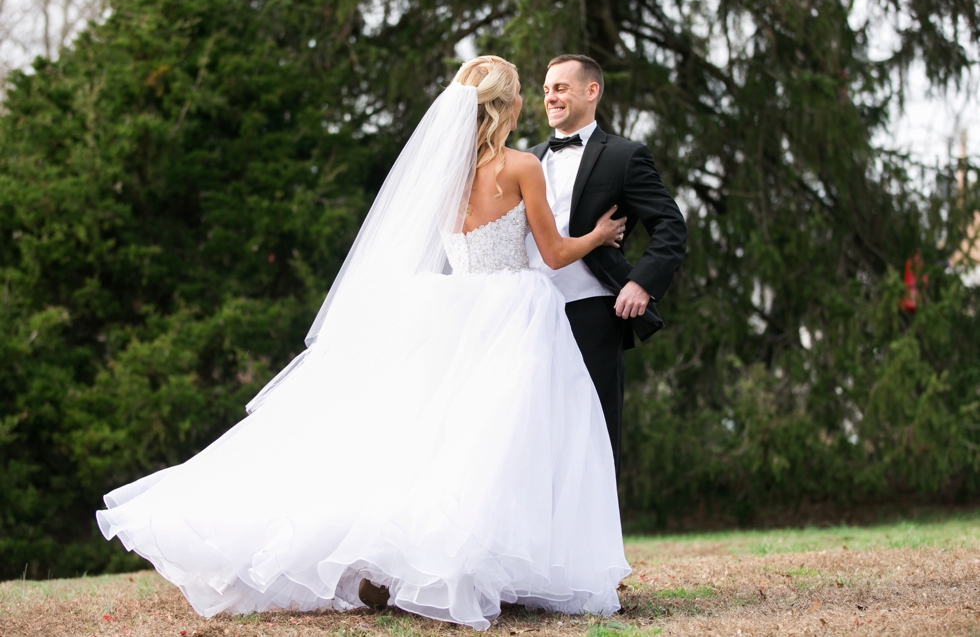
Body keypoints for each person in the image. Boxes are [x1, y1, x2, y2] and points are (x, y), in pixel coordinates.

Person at [96, 56, 631, 631]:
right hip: (511, 311)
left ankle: (410, 561)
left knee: (426, 436)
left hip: (445, 308)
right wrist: (598, 235)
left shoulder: (440, 174)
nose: (529, 100)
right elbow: (552, 254)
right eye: (523, 91)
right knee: (497, 438)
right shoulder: (522, 166)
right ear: (506, 106)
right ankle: (473, 565)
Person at [526, 55, 688, 478]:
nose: (551, 97)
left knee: (592, 436)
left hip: (593, 313)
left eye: (560, 87)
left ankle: (593, 543)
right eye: (546, 90)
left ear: (591, 90)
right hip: (526, 317)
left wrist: (641, 284)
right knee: (531, 437)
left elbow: (670, 226)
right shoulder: (527, 160)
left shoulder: (625, 156)